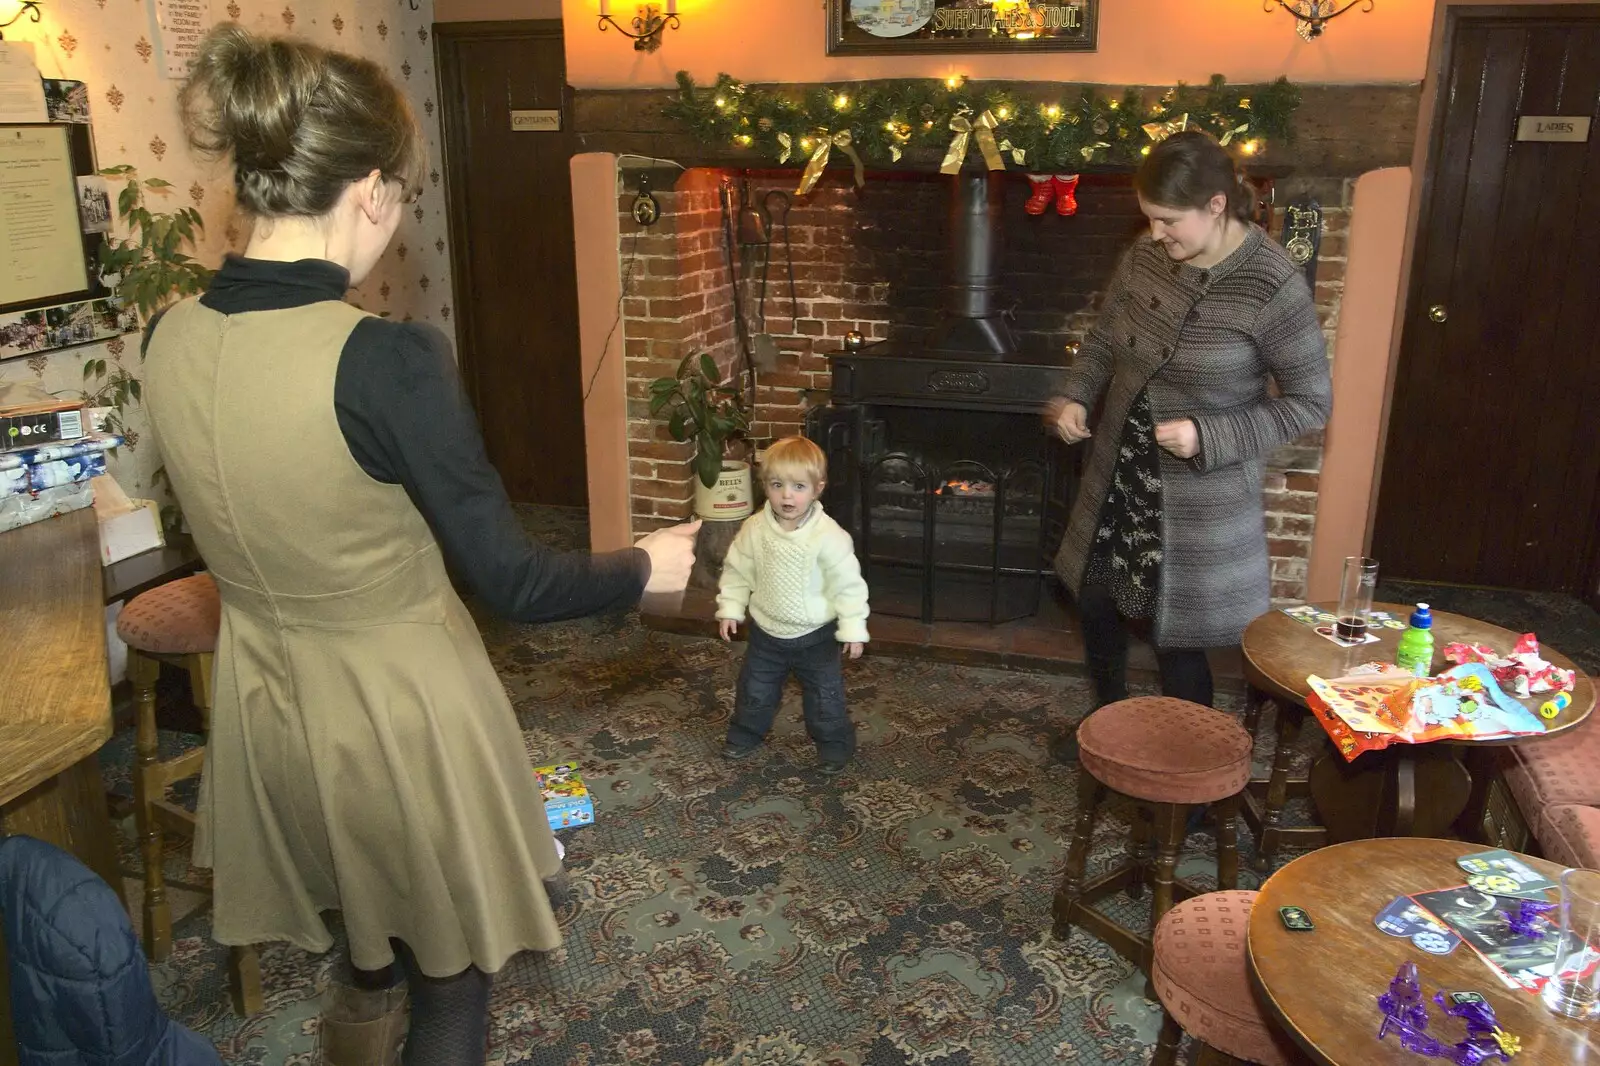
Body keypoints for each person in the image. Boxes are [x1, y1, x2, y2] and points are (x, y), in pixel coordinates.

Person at [141, 23, 699, 1066]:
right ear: (368, 188)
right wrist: (645, 565)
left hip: (267, 709)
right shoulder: (387, 359)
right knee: (451, 974)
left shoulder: (168, 335)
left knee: (367, 942)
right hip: (400, 713)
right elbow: (514, 578)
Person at [1045, 130, 1332, 762]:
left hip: (1199, 500)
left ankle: (1190, 764)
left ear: (1216, 205)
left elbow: (1312, 403)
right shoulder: (1145, 258)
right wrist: (1075, 396)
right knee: (1095, 599)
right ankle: (1107, 727)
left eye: (1167, 221)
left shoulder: (1270, 284)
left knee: (1179, 638)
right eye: (1148, 220)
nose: (1155, 236)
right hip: (1121, 470)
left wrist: (1210, 434)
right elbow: (1102, 340)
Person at [716, 436, 869, 774]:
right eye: (777, 485)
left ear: (817, 489)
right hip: (766, 634)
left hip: (816, 637)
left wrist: (853, 628)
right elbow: (738, 570)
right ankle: (745, 734)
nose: (787, 495)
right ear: (764, 486)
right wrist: (730, 607)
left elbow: (849, 586)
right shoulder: (754, 529)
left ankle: (833, 744)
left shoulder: (829, 536)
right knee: (754, 691)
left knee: (825, 698)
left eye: (798, 486)